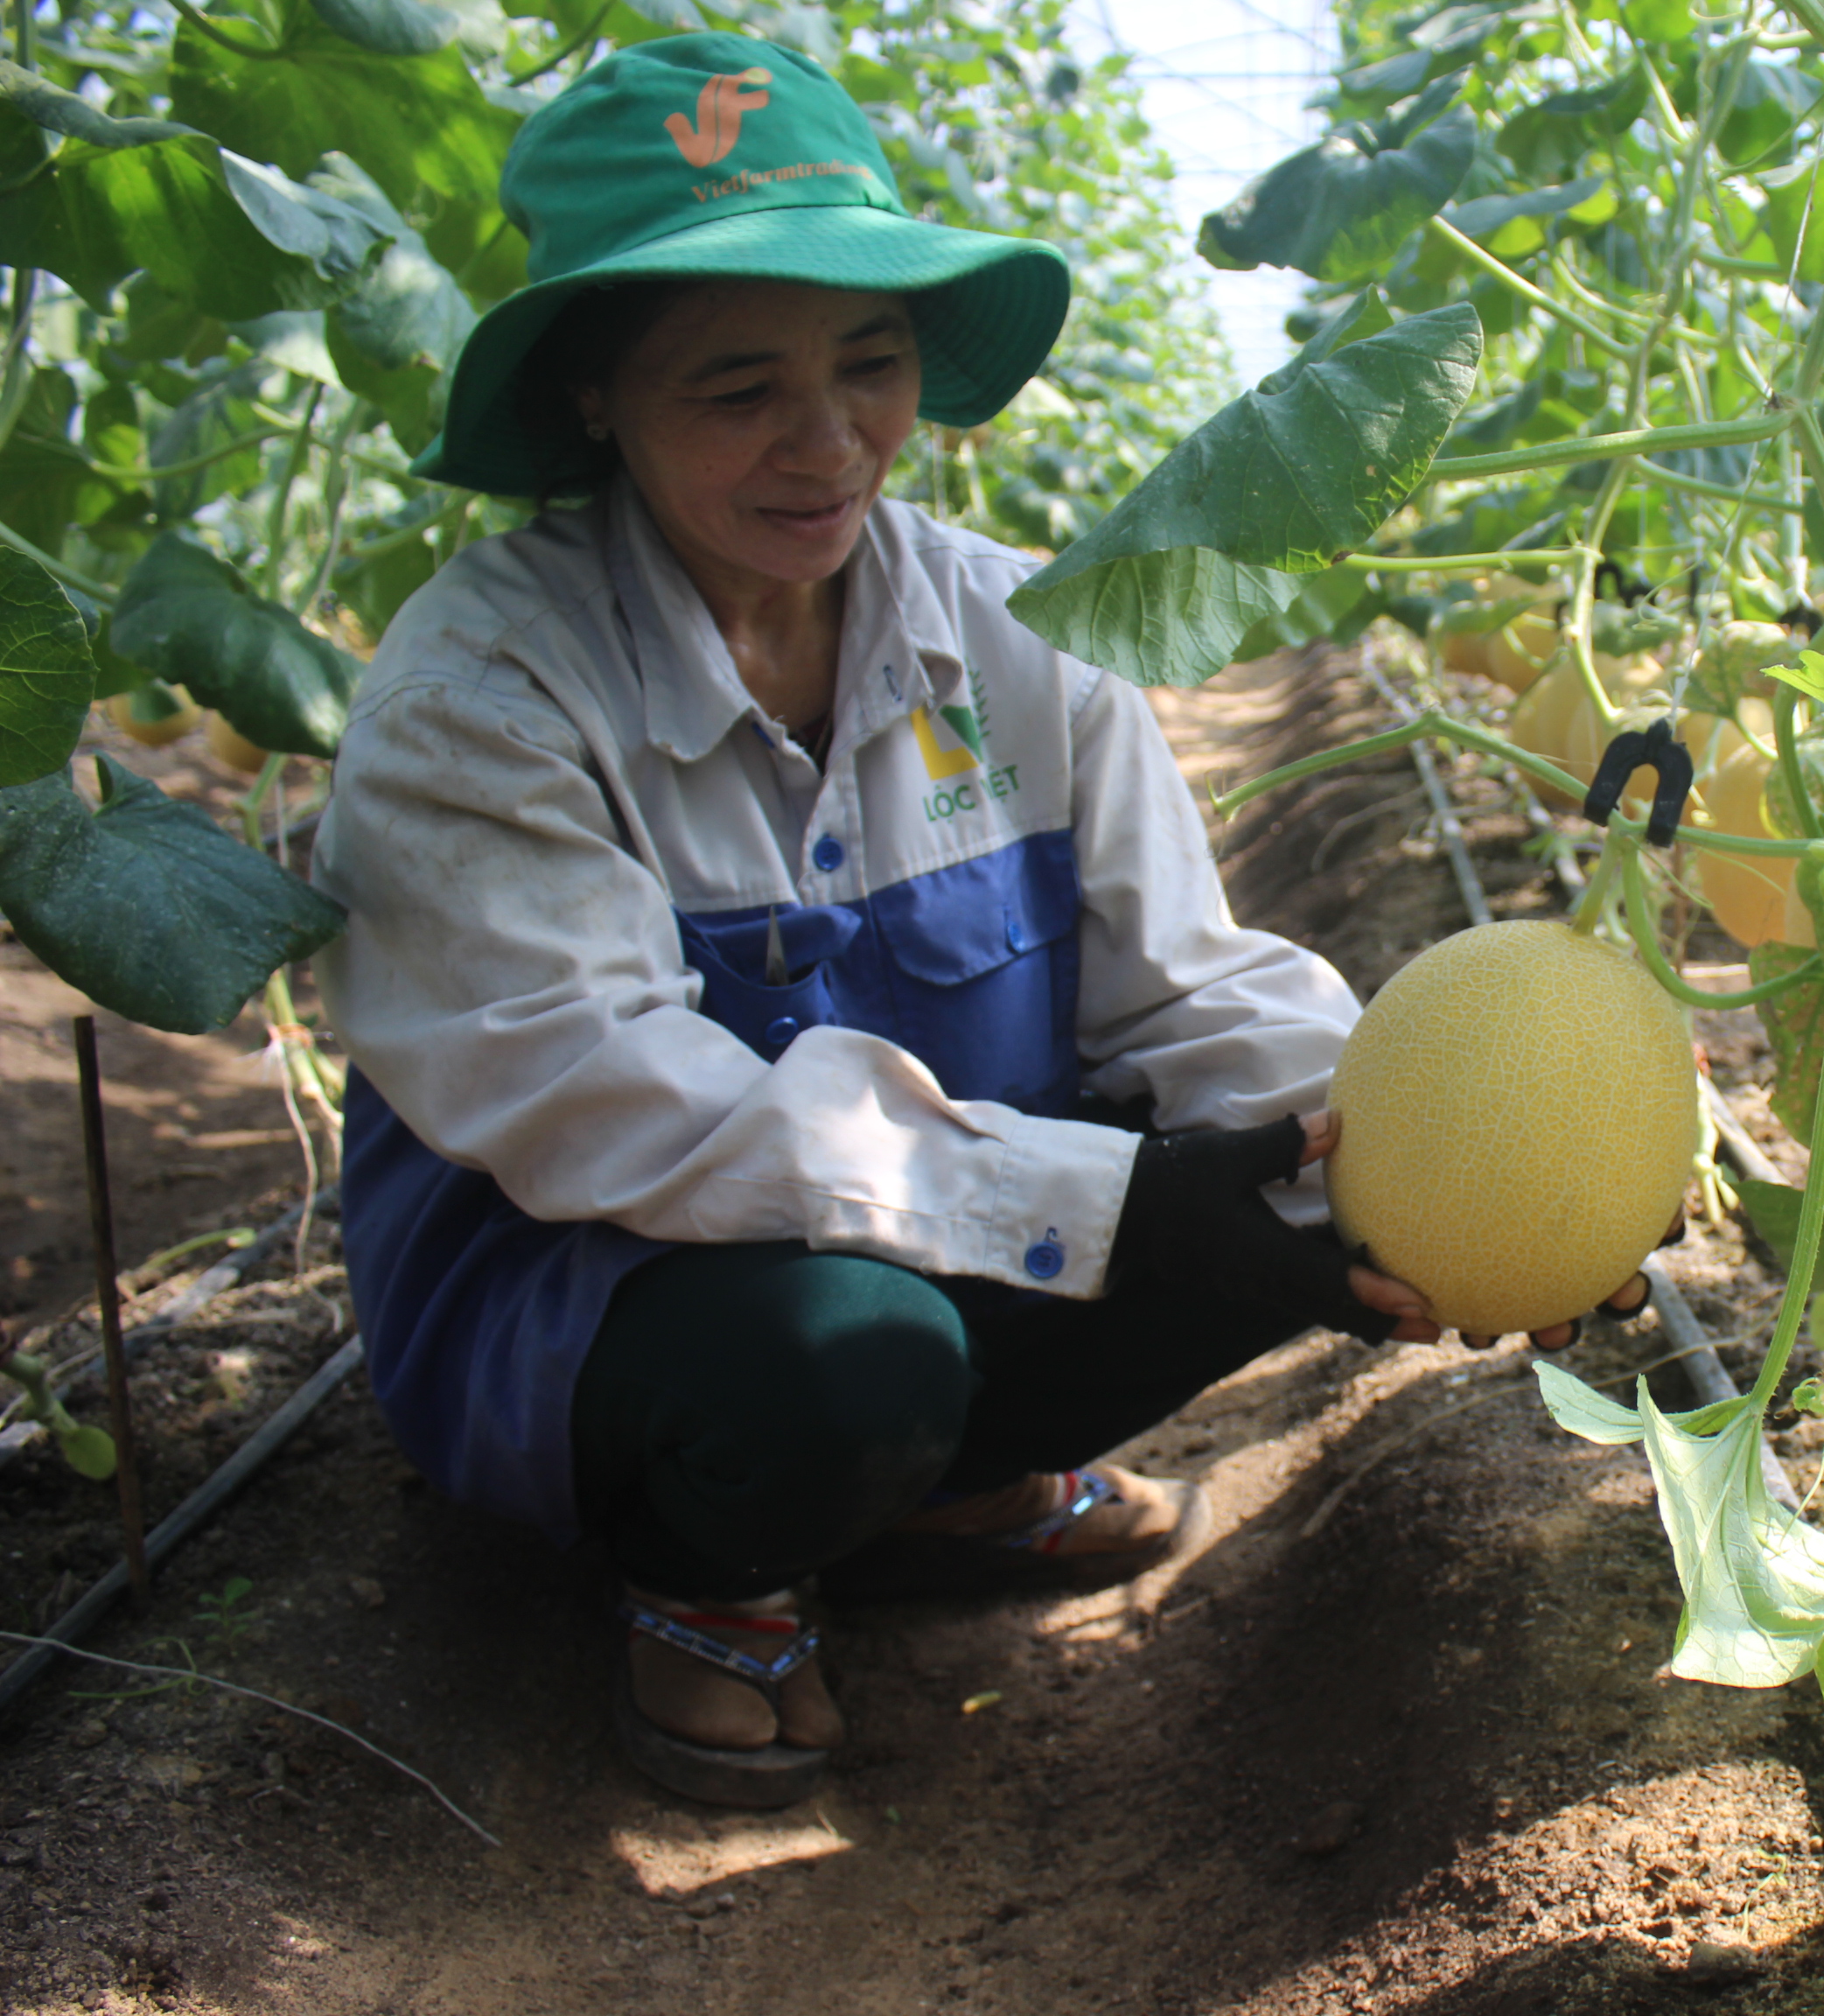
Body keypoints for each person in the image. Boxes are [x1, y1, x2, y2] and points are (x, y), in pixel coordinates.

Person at [311, 32, 1626, 1810]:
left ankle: (942, 1492)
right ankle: (708, 1571)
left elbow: (1190, 985)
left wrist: (1489, 1166)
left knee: (1271, 1182)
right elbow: (598, 1098)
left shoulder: (1019, 631)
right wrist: (1090, 1204)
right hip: (600, 1300)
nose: (829, 438)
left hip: (946, 1227)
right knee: (844, 1361)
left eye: (871, 362)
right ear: (599, 398)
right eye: (734, 389)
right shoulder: (480, 696)